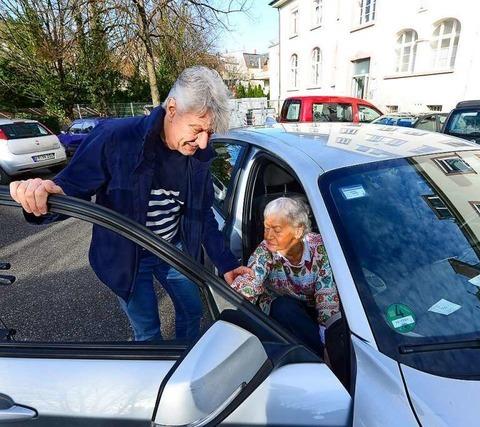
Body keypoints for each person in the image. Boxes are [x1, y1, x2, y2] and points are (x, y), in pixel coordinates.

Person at [9, 66, 251, 341]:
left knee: (193, 311)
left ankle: (185, 364)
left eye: (209, 131)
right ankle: (153, 375)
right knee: (148, 331)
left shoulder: (198, 155)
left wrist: (227, 263)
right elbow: (68, 189)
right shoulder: (116, 139)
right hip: (128, 257)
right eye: (197, 129)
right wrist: (39, 195)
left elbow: (202, 213)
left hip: (174, 249)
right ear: (172, 109)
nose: (203, 141)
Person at [228, 197, 341, 357]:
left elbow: (327, 295)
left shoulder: (320, 248)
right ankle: (318, 361)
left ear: (299, 230)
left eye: (276, 229)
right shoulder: (265, 250)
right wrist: (232, 311)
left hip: (314, 306)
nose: (268, 236)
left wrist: (328, 342)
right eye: (266, 228)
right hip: (281, 308)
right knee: (284, 308)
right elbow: (250, 281)